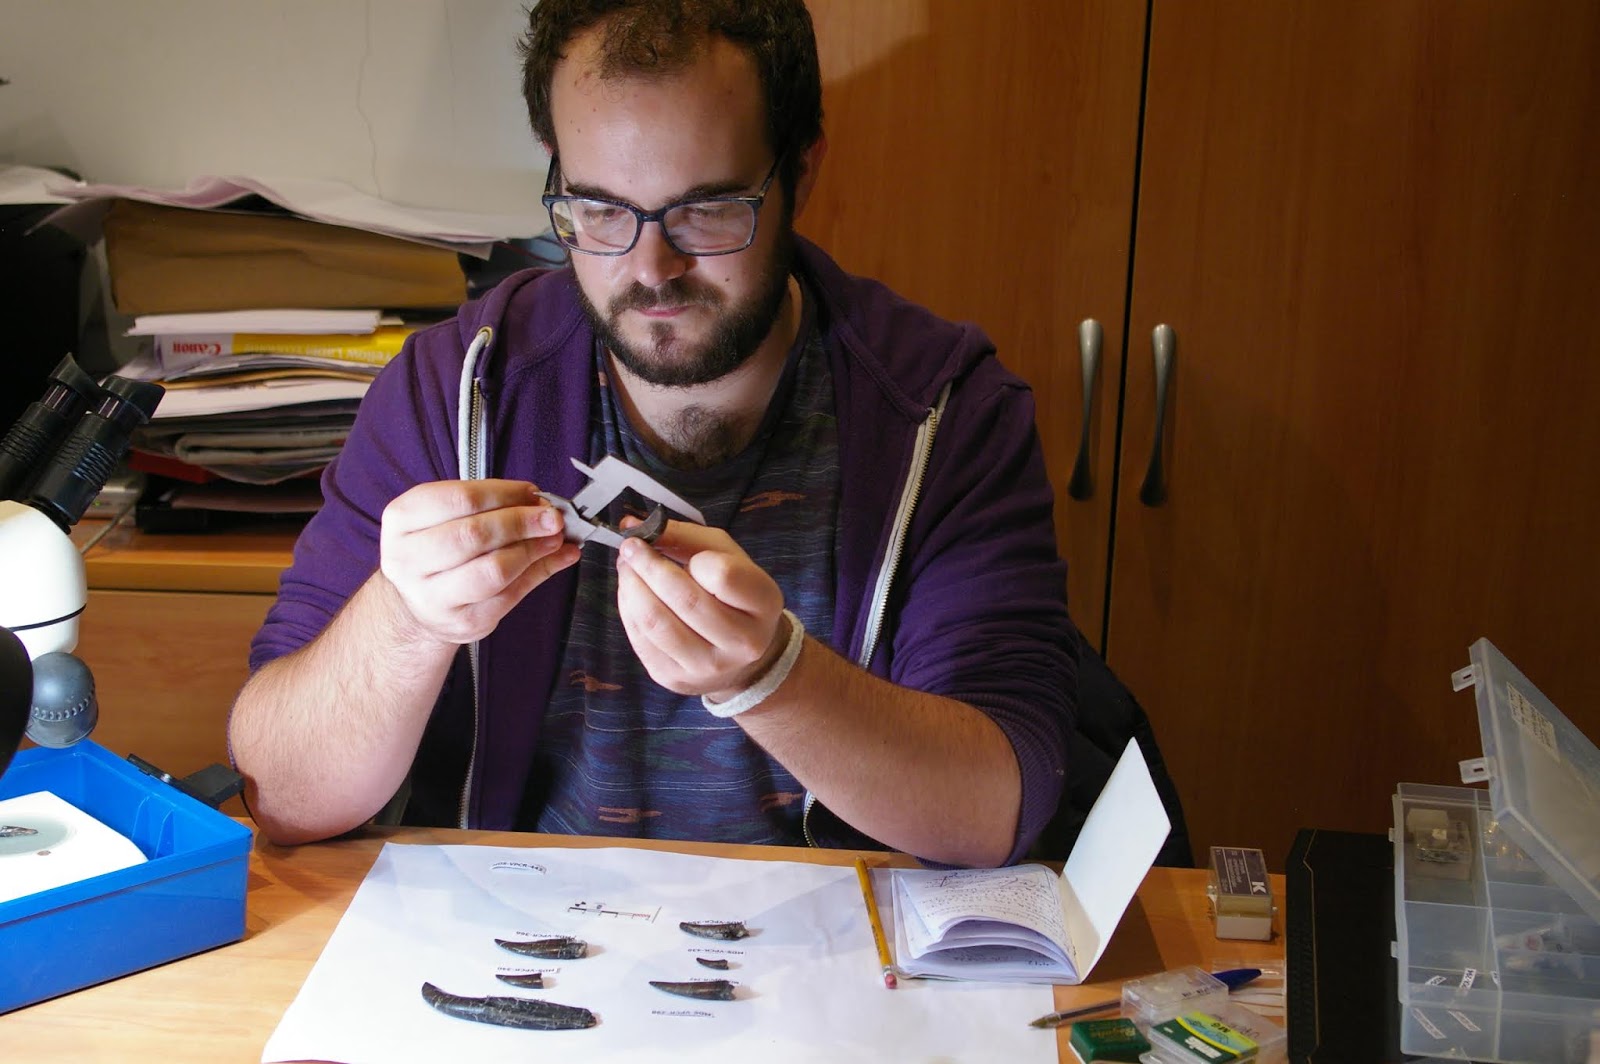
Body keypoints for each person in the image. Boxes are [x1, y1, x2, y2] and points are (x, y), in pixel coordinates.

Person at [227, 0, 1077, 868]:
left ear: (802, 172)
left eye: (706, 211)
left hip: (831, 935)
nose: (648, 269)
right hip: (514, 926)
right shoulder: (457, 390)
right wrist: (406, 620)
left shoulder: (939, 409)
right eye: (599, 210)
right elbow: (281, 795)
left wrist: (774, 677)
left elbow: (996, 811)